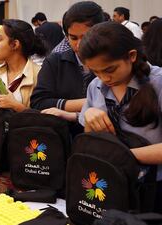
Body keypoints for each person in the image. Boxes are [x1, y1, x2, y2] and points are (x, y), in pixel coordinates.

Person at [78, 22, 162, 212]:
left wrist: (123, 156)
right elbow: (92, 140)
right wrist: (90, 115)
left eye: (109, 70)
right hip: (111, 182)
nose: (103, 78)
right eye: (95, 71)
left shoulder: (158, 83)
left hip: (154, 190)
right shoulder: (95, 86)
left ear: (131, 56)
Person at [30, 1, 104, 135]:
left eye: (86, 36)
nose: (80, 44)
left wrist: (68, 109)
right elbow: (38, 103)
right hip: (61, 139)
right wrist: (87, 103)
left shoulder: (111, 63)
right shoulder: (55, 62)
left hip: (102, 141)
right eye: (73, 38)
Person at [0, 19, 47, 112]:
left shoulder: (39, 75)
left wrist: (16, 106)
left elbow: (45, 117)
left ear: (15, 44)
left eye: (0, 39)